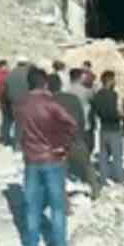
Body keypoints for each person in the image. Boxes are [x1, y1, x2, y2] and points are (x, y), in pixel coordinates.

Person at [13, 67, 77, 246]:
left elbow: (20, 133)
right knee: (57, 207)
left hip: (31, 160)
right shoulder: (52, 104)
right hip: (53, 159)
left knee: (32, 207)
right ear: (44, 83)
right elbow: (72, 124)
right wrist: (62, 145)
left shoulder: (20, 105)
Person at [49, 73, 101, 204]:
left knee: (59, 173)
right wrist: (80, 134)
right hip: (76, 137)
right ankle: (96, 191)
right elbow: (81, 118)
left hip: (58, 142)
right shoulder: (72, 98)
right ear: (60, 85)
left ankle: (64, 203)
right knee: (87, 166)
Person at [91, 70, 124, 184]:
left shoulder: (97, 95)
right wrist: (121, 116)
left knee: (103, 156)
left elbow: (96, 111)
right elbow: (113, 112)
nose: (115, 82)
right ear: (110, 81)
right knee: (117, 156)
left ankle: (103, 179)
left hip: (103, 128)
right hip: (114, 128)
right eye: (113, 79)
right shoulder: (113, 95)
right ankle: (119, 179)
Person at [2, 56, 32, 151]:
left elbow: (5, 91)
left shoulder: (10, 74)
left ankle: (17, 145)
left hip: (14, 104)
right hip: (28, 102)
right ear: (26, 63)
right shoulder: (29, 74)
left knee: (18, 125)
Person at [68, 68, 96, 154]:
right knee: (87, 148)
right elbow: (94, 101)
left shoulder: (66, 90)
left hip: (70, 124)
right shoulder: (86, 91)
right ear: (80, 77)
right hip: (85, 124)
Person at [0, 60, 12, 146]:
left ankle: (5, 138)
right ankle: (6, 138)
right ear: (2, 66)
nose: (8, 67)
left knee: (6, 120)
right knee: (8, 120)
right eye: (6, 66)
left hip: (2, 100)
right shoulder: (2, 75)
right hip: (6, 100)